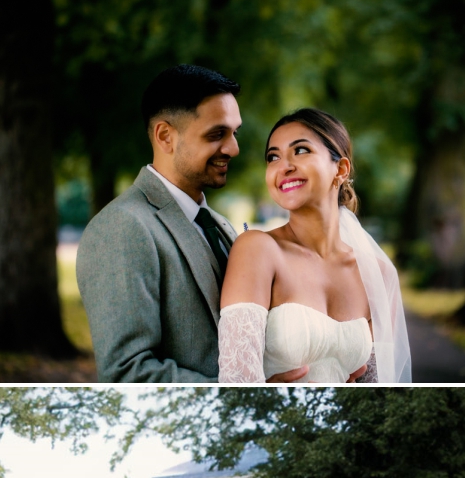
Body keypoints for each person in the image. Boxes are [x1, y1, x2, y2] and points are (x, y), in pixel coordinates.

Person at [76, 63, 306, 384]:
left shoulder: (221, 226)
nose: (234, 148)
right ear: (165, 136)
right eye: (216, 134)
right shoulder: (122, 228)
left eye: (234, 133)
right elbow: (127, 374)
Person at [218, 109, 411, 384]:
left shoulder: (378, 276)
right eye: (273, 157)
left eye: (300, 151)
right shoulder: (258, 249)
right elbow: (237, 380)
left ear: (341, 169)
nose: (283, 166)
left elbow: (377, 388)